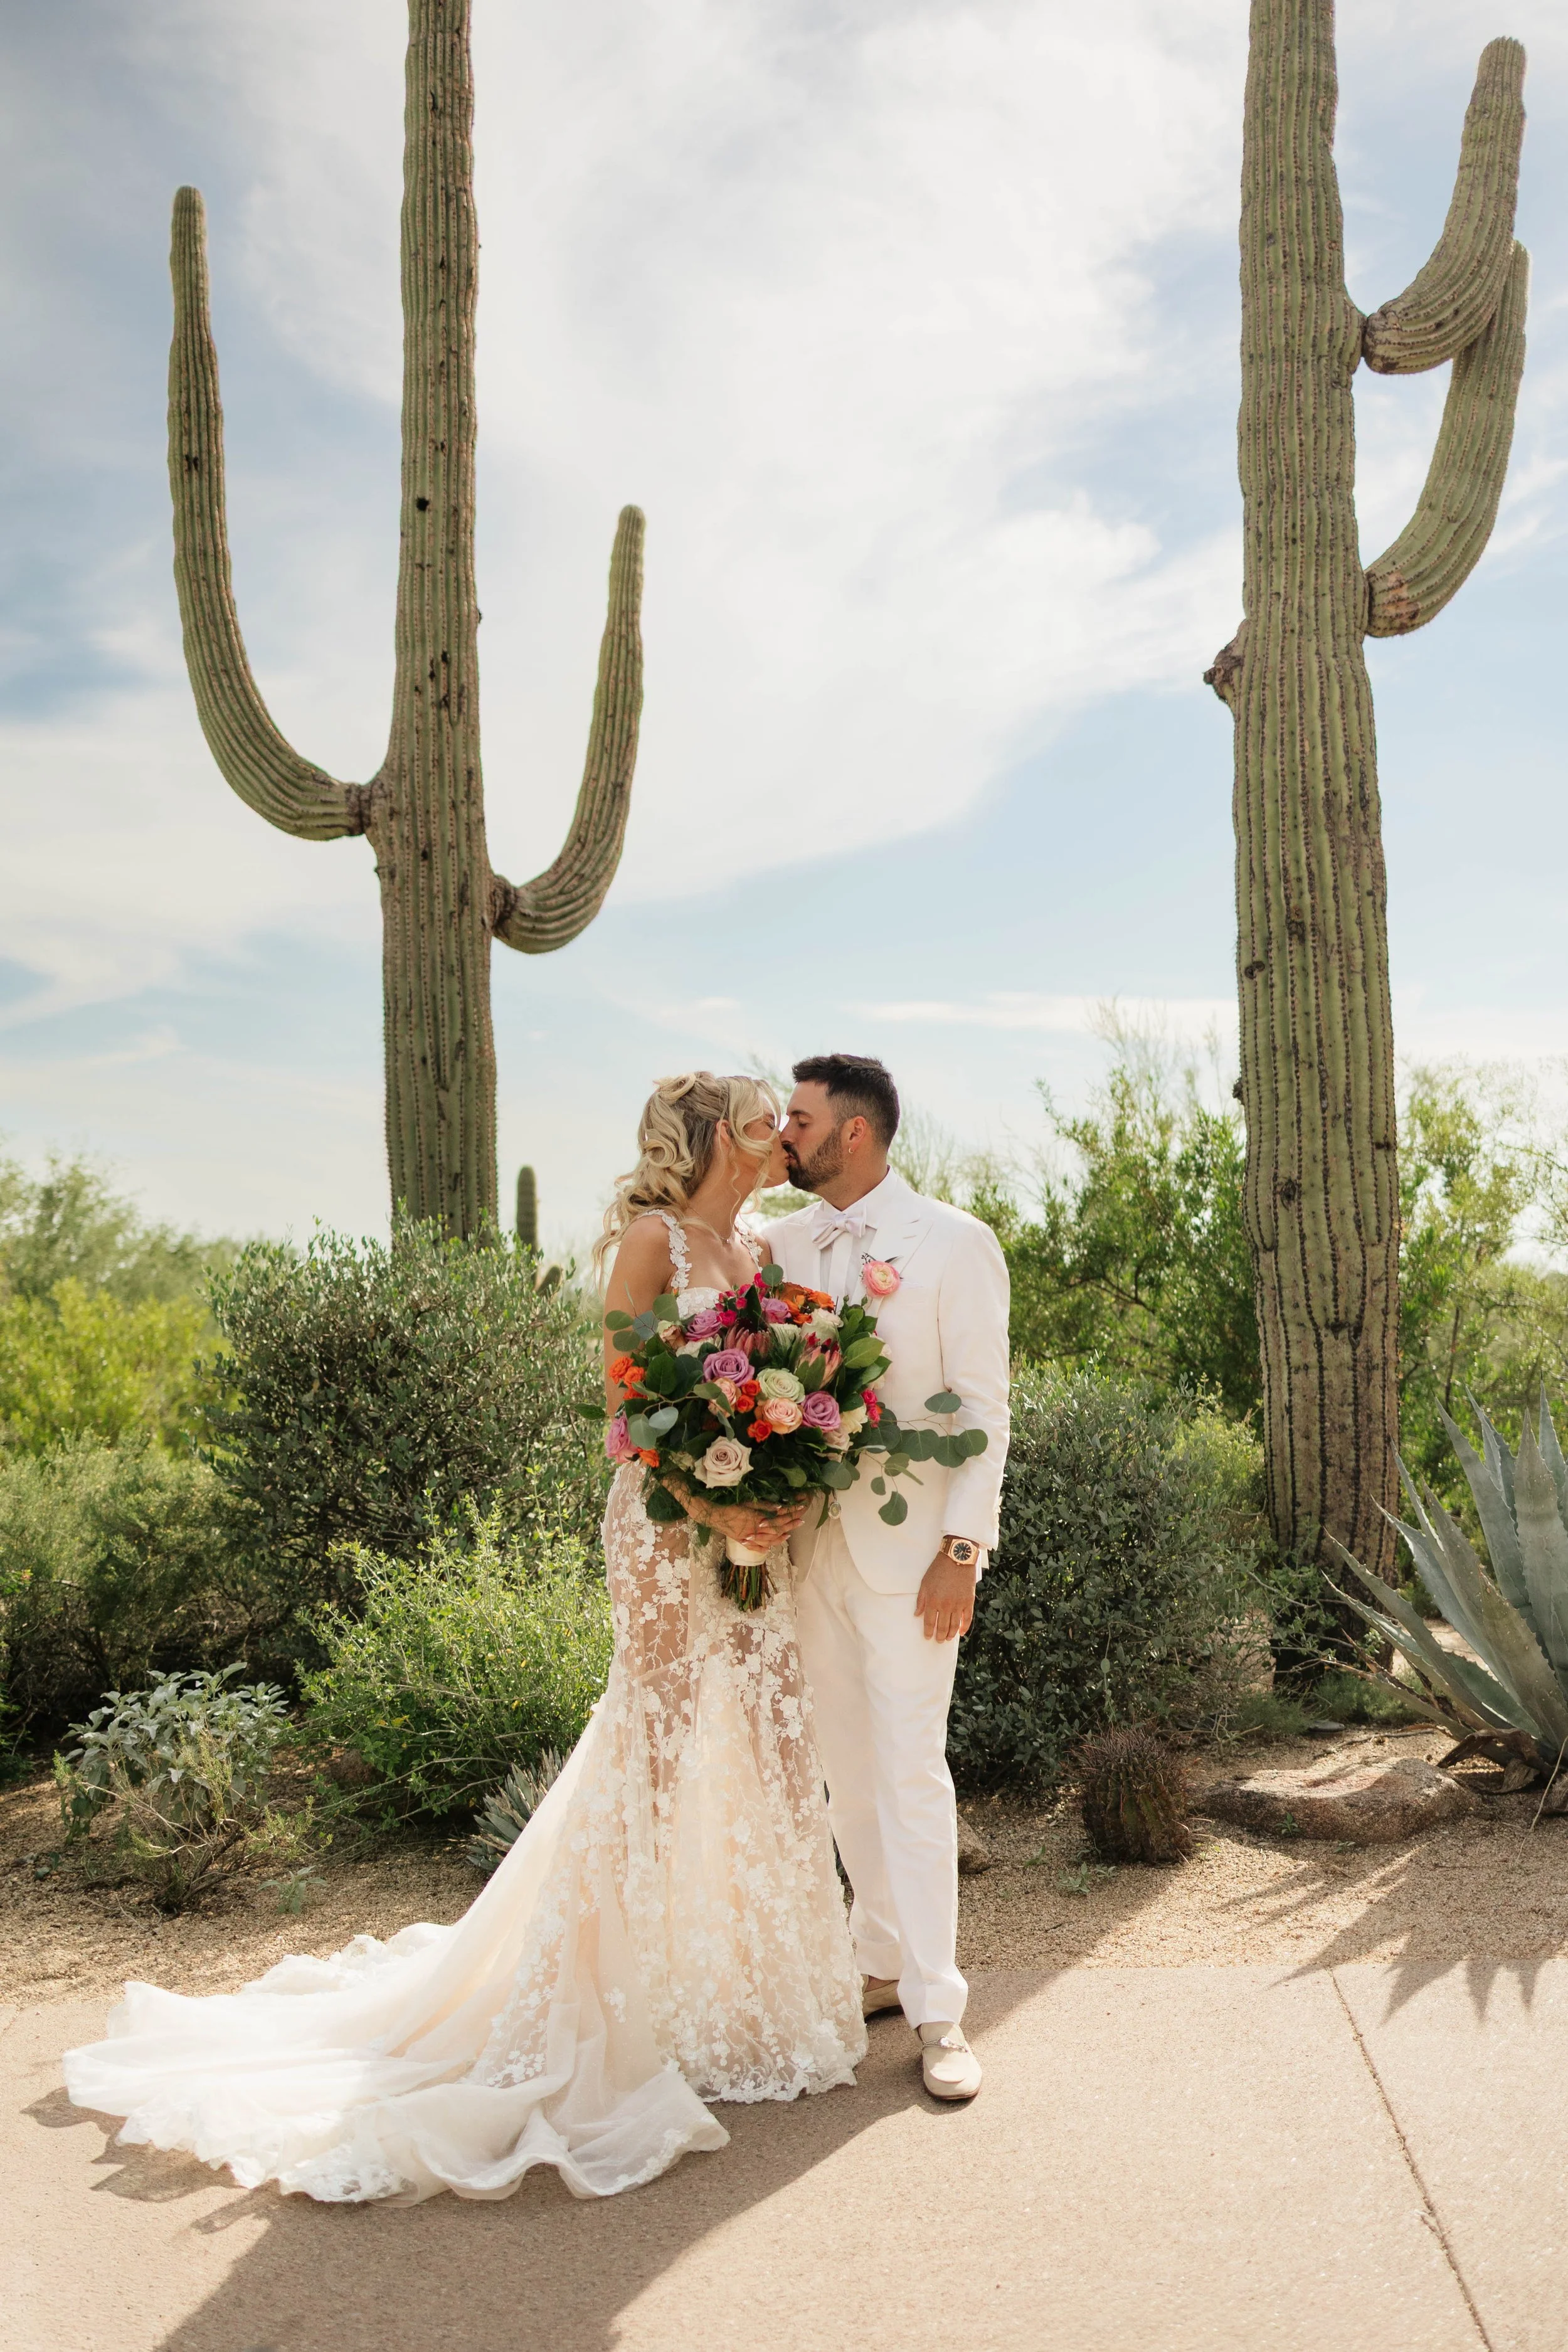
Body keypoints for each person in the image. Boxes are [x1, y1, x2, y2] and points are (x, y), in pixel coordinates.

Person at [64, 1073, 866, 2203]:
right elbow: (629, 1412)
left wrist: (780, 1479)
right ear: (712, 1134)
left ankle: (746, 1999)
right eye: (753, 1109)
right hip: (666, 1527)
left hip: (752, 1535)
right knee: (661, 1742)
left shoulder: (760, 1252)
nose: (775, 1126)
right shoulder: (652, 1242)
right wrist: (716, 1503)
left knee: (767, 1750)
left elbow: (787, 1388)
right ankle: (619, 2010)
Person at [767, 1053, 1010, 2101]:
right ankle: (878, 1961)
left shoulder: (954, 1243)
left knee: (912, 1770)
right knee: (846, 1773)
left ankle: (942, 2009)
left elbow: (984, 1406)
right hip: (800, 1549)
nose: (784, 1133)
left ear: (852, 1133)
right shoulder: (775, 1244)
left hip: (915, 1560)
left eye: (799, 1118)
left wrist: (964, 1550)